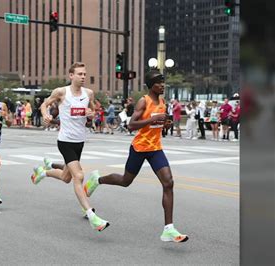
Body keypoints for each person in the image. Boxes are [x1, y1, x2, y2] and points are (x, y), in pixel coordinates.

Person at [84, 70, 188, 242]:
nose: (162, 85)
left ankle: (169, 229)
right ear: (150, 85)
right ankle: (97, 180)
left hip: (155, 148)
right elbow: (131, 125)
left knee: (168, 183)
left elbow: (160, 127)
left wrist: (166, 124)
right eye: (158, 82)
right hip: (139, 148)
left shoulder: (162, 102)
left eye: (163, 82)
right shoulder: (143, 101)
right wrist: (151, 121)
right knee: (125, 181)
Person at [30, 62, 109, 232]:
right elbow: (44, 104)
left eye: (84, 74)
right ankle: (91, 215)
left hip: (79, 141)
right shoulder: (61, 92)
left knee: (66, 177)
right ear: (71, 75)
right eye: (79, 74)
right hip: (65, 141)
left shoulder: (89, 93)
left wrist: (91, 114)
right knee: (78, 176)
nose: (83, 77)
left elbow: (93, 111)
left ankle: (43, 172)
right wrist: (45, 115)